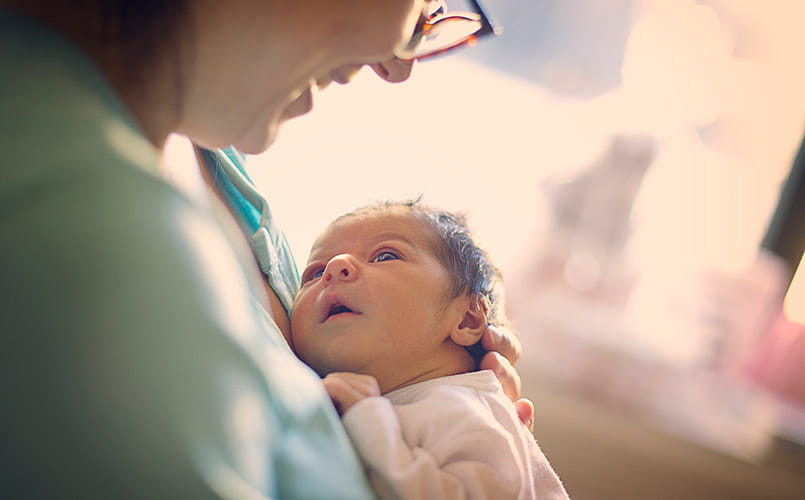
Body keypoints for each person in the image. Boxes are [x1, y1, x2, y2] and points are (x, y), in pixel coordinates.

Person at [0, 1, 532, 499]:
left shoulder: (220, 166)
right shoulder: (84, 221)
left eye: (387, 256)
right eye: (423, 3)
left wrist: (440, 406)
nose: (398, 66)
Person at [290, 200, 570, 500]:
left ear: (467, 318)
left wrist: (366, 418)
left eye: (384, 255)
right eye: (315, 273)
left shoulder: (460, 406)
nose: (335, 267)